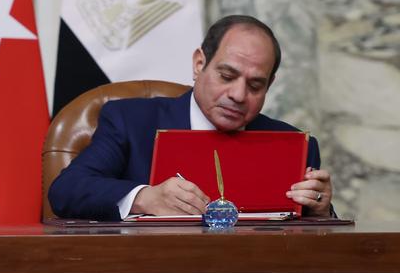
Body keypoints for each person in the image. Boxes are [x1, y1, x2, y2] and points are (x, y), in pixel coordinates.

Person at [48, 14, 333, 221]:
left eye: (255, 85)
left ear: (269, 86)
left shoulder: (293, 145)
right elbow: (66, 191)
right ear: (199, 64)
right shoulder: (130, 121)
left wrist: (321, 211)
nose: (238, 94)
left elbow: (316, 247)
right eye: (227, 76)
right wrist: (145, 198)